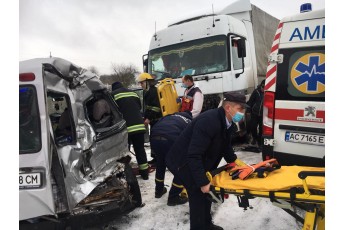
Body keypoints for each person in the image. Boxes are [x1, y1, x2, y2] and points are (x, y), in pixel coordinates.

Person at [166, 92, 248, 230]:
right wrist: (202, 181)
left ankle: (207, 224)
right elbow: (193, 154)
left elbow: (225, 146)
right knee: (198, 193)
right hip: (183, 162)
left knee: (207, 193)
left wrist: (235, 162)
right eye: (240, 109)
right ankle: (199, 227)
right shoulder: (209, 121)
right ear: (228, 107)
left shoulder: (228, 123)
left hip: (198, 160)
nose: (243, 112)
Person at [150, 111, 193, 206]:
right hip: (172, 139)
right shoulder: (189, 121)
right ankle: (173, 197)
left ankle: (159, 190)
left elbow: (155, 127)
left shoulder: (169, 116)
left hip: (154, 137)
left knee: (161, 163)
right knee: (181, 167)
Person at [111, 82, 150, 180]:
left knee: (124, 153)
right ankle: (145, 173)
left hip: (126, 129)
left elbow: (112, 112)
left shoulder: (113, 95)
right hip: (139, 127)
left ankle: (126, 175)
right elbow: (139, 107)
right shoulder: (133, 93)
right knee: (140, 150)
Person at [137, 73, 163, 165]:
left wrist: (148, 118)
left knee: (157, 139)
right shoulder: (147, 92)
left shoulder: (154, 91)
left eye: (142, 83)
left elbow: (156, 107)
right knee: (153, 139)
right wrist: (145, 116)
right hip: (153, 120)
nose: (141, 85)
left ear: (148, 82)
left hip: (157, 119)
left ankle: (159, 159)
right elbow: (148, 107)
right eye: (140, 83)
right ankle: (155, 158)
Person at [246, 79, 265, 146]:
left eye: (264, 88)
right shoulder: (256, 92)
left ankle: (260, 141)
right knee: (253, 127)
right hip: (254, 113)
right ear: (261, 86)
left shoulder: (267, 93)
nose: (263, 89)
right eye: (262, 87)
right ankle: (254, 138)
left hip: (263, 114)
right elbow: (250, 102)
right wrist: (248, 111)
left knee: (261, 128)